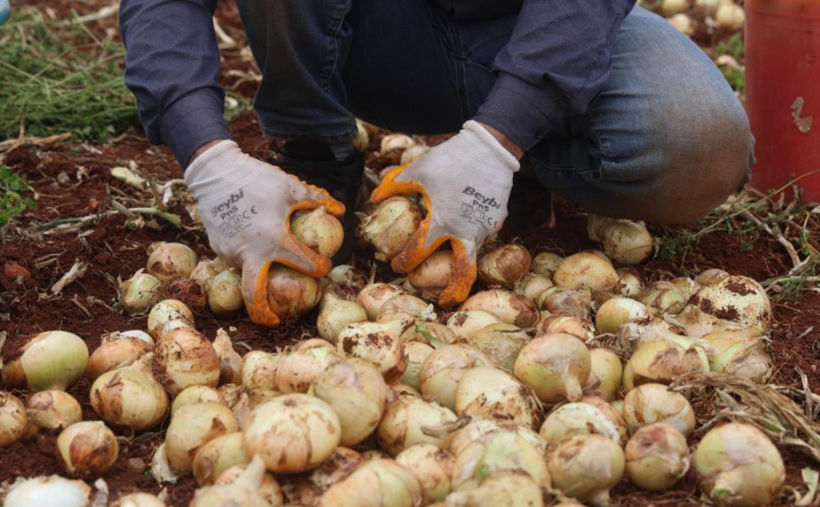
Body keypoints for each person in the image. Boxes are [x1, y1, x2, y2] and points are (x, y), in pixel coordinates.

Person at [119, 0, 752, 327]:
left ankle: (515, 153)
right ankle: (315, 149)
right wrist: (206, 156)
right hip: (361, 34)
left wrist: (502, 136)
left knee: (697, 142)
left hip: (527, 23)